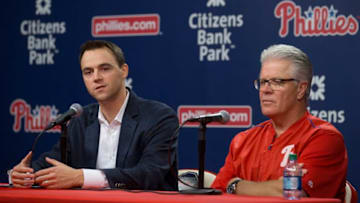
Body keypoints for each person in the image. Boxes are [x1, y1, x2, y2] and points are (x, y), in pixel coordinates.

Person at [10, 40, 179, 190]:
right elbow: (50, 163)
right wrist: (24, 175)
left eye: (104, 69)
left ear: (124, 71)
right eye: (88, 72)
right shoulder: (80, 120)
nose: (96, 77)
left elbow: (150, 174)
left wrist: (81, 177)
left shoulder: (159, 117)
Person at [211, 44, 348, 201]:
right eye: (262, 82)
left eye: (277, 81)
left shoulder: (323, 138)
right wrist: (271, 187)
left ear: (301, 89)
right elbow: (217, 193)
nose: (265, 90)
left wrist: (235, 185)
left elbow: (290, 194)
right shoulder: (243, 140)